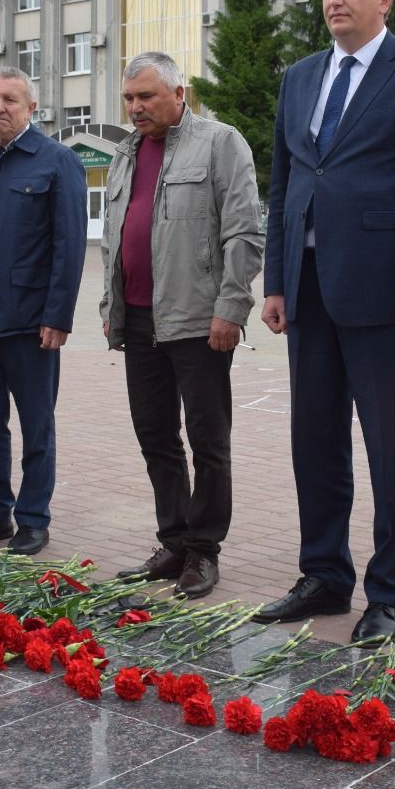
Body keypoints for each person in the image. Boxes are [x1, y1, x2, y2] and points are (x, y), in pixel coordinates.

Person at [256, 0, 395, 646]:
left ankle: (389, 591)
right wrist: (276, 280)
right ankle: (324, 575)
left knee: (392, 452)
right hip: (309, 293)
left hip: (386, 297)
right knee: (314, 442)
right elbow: (284, 186)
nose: (333, 0)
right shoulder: (301, 77)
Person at [100, 52, 263, 597]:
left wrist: (230, 308)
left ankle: (203, 551)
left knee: (207, 439)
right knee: (156, 436)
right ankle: (173, 541)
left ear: (180, 93)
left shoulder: (220, 143)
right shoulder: (124, 153)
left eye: (146, 96)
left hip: (199, 320)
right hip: (140, 320)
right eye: (129, 98)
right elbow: (113, 240)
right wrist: (110, 307)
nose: (136, 107)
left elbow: (244, 231)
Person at [0, 67, 86, 556]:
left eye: (10, 99)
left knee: (36, 425)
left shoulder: (56, 161)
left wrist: (58, 315)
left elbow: (69, 246)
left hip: (31, 322)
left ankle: (32, 518)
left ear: (32, 108)